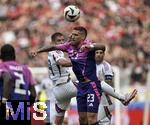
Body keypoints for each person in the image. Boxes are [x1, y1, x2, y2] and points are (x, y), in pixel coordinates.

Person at [30, 27, 137, 125]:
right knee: (84, 115)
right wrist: (38, 51)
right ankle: (121, 98)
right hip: (73, 87)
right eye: (71, 34)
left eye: (75, 35)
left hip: (75, 88)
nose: (71, 36)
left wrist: (90, 47)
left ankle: (122, 98)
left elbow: (101, 46)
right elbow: (58, 55)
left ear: (83, 37)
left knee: (84, 117)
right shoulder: (63, 49)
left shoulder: (86, 45)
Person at [95, 49, 137, 124]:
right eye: (96, 53)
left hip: (104, 100)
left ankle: (122, 98)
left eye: (100, 53)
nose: (98, 55)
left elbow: (107, 84)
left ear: (104, 54)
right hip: (94, 98)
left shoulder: (106, 66)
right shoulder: (88, 65)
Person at [0, 44, 36, 125]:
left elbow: (7, 78)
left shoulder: (2, 66)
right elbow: (33, 94)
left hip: (8, 107)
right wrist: (26, 104)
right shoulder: (26, 69)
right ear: (14, 55)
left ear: (1, 55)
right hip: (23, 109)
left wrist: (4, 102)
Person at [46, 32, 77, 125]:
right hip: (65, 86)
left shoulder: (54, 53)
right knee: (94, 84)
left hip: (58, 90)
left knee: (59, 121)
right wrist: (78, 62)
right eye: (58, 41)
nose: (61, 42)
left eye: (63, 40)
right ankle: (121, 97)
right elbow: (62, 62)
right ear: (53, 43)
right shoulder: (55, 52)